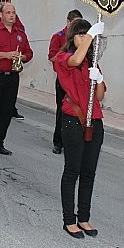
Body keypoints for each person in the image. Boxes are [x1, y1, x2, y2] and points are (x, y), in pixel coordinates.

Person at [53, 18, 105, 239]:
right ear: (72, 37)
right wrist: (92, 34)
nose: (85, 38)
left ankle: (83, 217)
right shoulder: (63, 58)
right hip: (74, 120)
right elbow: (75, 59)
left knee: (89, 173)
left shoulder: (93, 62)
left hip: (95, 121)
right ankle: (69, 220)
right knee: (72, 170)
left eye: (87, 35)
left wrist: (99, 78)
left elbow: (100, 96)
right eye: (81, 35)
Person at [0, 3, 33, 158]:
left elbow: (29, 52)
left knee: (6, 110)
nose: (11, 15)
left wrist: (22, 57)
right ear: (1, 15)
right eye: (8, 12)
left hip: (12, 77)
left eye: (14, 12)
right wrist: (6, 55)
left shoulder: (20, 33)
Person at [48, 9, 83, 154]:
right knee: (62, 111)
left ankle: (73, 141)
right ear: (68, 22)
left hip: (78, 81)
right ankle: (58, 142)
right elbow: (51, 56)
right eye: (75, 24)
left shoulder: (82, 39)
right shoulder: (58, 37)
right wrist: (67, 59)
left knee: (77, 111)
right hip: (63, 80)